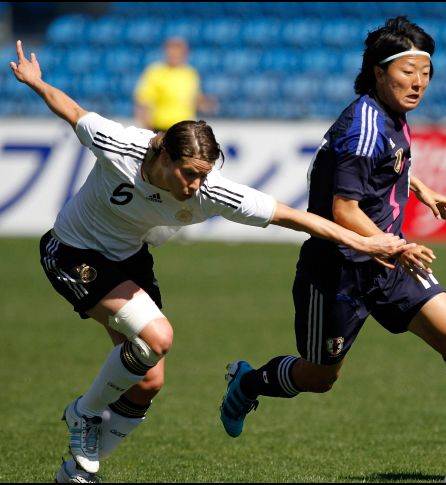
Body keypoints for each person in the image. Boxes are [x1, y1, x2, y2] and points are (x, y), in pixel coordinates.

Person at [9, 39, 411, 484]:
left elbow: (293, 217)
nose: (196, 186)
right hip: (72, 251)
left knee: (148, 382)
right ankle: (84, 413)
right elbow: (71, 110)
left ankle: (77, 473)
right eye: (189, 174)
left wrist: (367, 242)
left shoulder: (211, 191)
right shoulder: (119, 145)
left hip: (129, 258)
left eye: (204, 175)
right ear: (163, 155)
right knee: (158, 337)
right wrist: (36, 82)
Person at [217, 16, 446, 483]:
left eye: (425, 73)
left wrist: (422, 191)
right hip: (337, 271)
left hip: (388, 263)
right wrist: (393, 245)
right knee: (319, 377)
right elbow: (344, 209)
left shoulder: (391, 116)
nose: (418, 83)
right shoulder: (362, 127)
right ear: (378, 72)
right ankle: (248, 383)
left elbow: (390, 164)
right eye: (408, 72)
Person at [134, 37, 216, 132]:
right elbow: (143, 103)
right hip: (162, 129)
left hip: (185, 129)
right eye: (172, 50)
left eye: (178, 51)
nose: (174, 54)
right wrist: (148, 129)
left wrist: (205, 103)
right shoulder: (155, 72)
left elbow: (194, 100)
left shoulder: (191, 73)